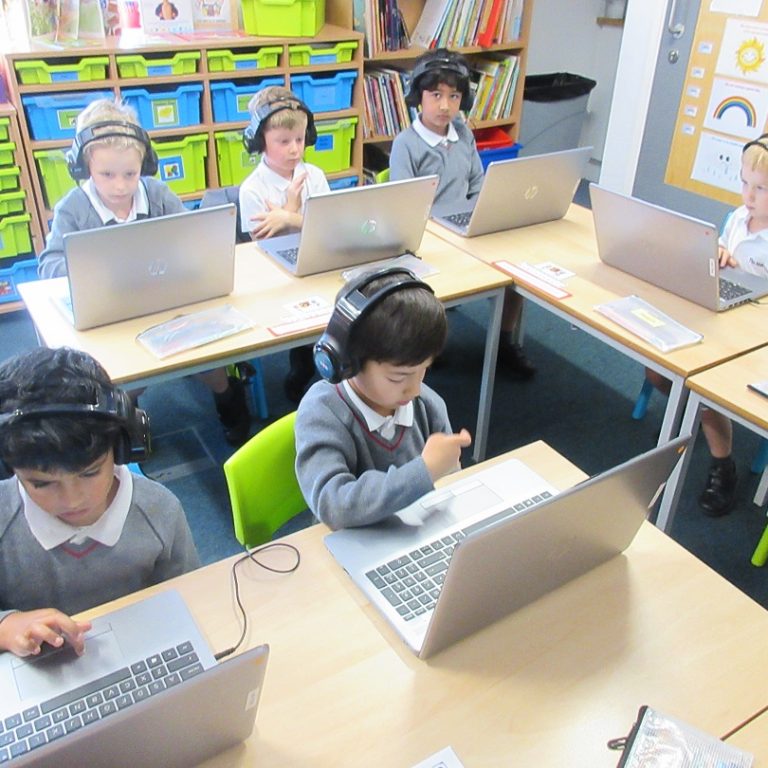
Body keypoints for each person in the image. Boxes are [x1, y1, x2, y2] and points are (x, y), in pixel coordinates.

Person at [37, 99, 250, 445]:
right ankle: (126, 417)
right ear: (83, 166)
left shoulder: (158, 194)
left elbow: (193, 235)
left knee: (208, 359)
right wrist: (102, 271)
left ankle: (229, 395)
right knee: (124, 380)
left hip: (167, 303)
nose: (120, 185)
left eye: (130, 174)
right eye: (107, 174)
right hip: (113, 313)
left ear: (143, 166)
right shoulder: (73, 210)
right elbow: (49, 266)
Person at [0, 347, 199, 658]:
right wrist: (7, 627)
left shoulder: (159, 510)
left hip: (141, 652)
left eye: (90, 472)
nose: (73, 499)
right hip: (36, 670)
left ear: (121, 449)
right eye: (42, 483)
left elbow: (194, 594)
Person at [389, 48, 535, 380]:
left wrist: (480, 217)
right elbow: (403, 203)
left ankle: (503, 341)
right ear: (418, 97)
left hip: (465, 226)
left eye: (454, 96)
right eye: (436, 95)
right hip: (427, 236)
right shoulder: (406, 144)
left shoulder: (464, 134)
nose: (445, 105)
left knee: (515, 275)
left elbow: (477, 185)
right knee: (431, 289)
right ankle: (429, 346)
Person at [295, 266, 472, 530]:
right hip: (351, 544)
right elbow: (333, 505)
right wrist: (424, 471)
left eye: (424, 370)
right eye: (398, 378)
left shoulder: (428, 405)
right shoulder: (322, 412)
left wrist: (447, 469)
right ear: (347, 361)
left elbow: (449, 485)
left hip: (416, 535)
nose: (413, 390)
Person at [646, 133, 768, 516]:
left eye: (761, 188)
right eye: (745, 183)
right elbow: (715, 261)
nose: (749, 195)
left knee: (702, 381)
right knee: (656, 367)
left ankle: (722, 463)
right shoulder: (737, 218)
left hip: (755, 333)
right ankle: (693, 413)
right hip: (722, 311)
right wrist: (716, 254)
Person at [240, 85, 331, 401]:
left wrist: (288, 218)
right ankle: (302, 360)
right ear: (259, 141)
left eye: (300, 140)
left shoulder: (314, 176)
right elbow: (262, 245)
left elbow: (327, 229)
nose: (294, 149)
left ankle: (316, 356)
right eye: (283, 141)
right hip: (273, 274)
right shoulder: (252, 189)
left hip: (317, 260)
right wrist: (294, 209)